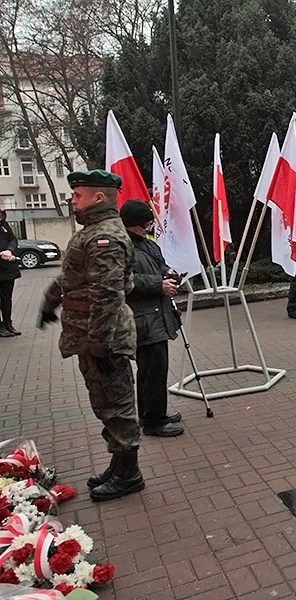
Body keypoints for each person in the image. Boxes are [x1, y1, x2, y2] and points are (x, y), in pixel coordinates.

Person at [39, 170, 144, 502]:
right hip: (90, 335)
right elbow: (74, 278)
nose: (72, 200)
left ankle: (129, 474)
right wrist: (49, 302)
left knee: (118, 405)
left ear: (99, 197)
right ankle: (118, 463)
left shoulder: (106, 238)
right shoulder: (92, 233)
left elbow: (107, 294)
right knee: (104, 402)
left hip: (105, 338)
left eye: (78, 195)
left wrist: (99, 341)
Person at [119, 199, 185, 438]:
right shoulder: (122, 247)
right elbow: (124, 281)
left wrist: (169, 272)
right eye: (146, 222)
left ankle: (158, 412)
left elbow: (159, 265)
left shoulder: (147, 243)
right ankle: (151, 421)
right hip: (142, 318)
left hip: (157, 315)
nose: (150, 225)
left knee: (159, 368)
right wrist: (159, 284)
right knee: (149, 370)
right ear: (133, 224)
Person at [0, 210, 22, 337]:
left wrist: (9, 250)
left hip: (8, 268)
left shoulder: (3, 222)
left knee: (6, 298)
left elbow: (13, 239)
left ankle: (8, 324)